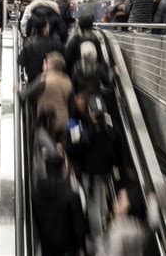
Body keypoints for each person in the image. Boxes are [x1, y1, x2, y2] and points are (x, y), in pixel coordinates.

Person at [74, 96, 116, 255]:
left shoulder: (87, 131)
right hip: (105, 172)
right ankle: (106, 226)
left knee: (93, 205)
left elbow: (77, 147)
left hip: (90, 173)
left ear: (91, 113)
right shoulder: (109, 127)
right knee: (102, 199)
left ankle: (99, 240)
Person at [32, 153, 86, 256]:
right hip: (68, 250)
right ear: (63, 170)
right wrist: (82, 248)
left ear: (46, 170)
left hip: (47, 249)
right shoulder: (72, 195)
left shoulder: (36, 195)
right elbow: (79, 227)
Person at [19, 52, 73, 145]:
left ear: (50, 65)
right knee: (61, 147)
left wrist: (18, 90)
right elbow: (71, 104)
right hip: (64, 122)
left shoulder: (44, 79)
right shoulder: (67, 80)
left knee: (45, 149)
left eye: (45, 62)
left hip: (47, 122)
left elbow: (26, 94)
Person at [106, 187, 160, 256]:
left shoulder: (118, 230)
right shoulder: (138, 228)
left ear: (127, 207)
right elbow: (153, 225)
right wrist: (153, 203)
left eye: (119, 199)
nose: (115, 200)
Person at [18, 15, 62, 82]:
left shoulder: (29, 43)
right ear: (45, 28)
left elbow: (21, 62)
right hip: (50, 79)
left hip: (32, 79)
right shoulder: (55, 43)